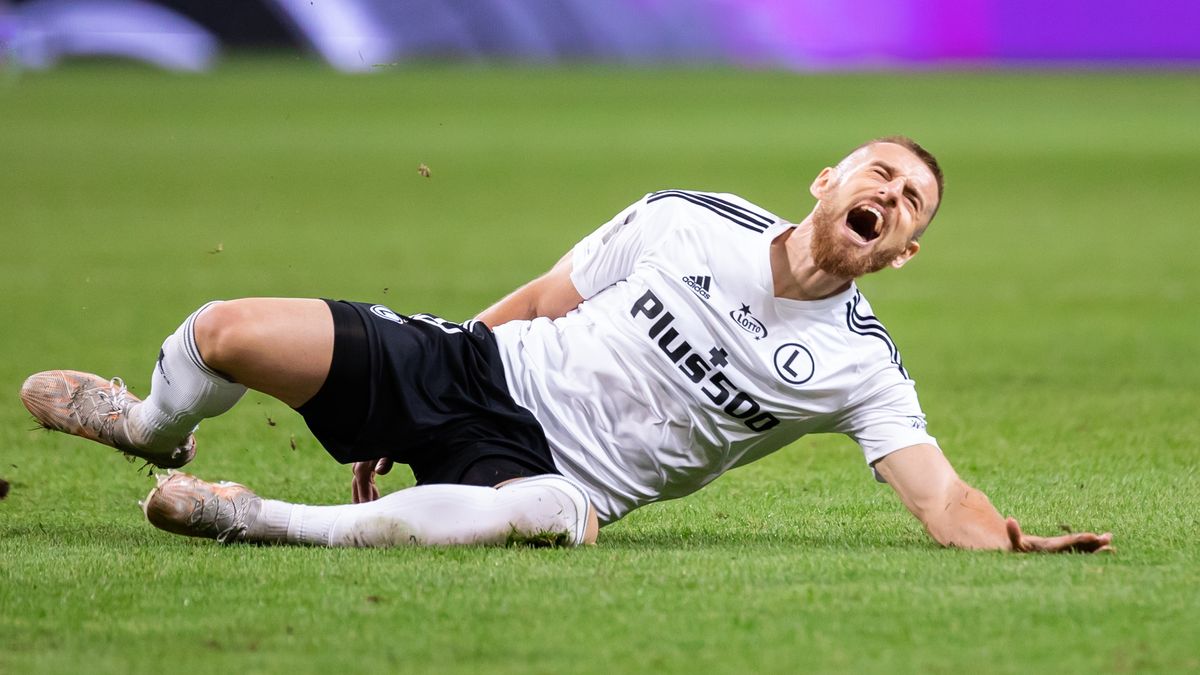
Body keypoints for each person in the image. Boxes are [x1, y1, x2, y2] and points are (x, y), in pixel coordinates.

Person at [20, 136, 1113, 553]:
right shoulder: (688, 219)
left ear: (905, 251)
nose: (891, 192)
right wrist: (425, 379)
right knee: (225, 333)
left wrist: (1016, 545)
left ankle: (263, 522)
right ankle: (149, 426)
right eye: (879, 171)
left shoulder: (860, 365)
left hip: (557, 475)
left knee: (553, 516)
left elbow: (939, 496)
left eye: (913, 199)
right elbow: (547, 291)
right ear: (827, 181)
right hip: (479, 370)